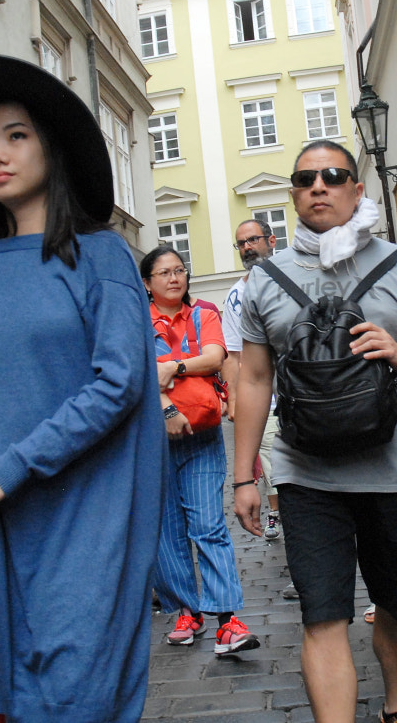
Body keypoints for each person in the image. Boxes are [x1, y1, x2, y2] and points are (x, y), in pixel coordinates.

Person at [0, 54, 166, 723]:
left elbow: (120, 383)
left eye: (16, 135)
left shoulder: (100, 254)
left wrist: (11, 465)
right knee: (22, 693)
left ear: (51, 147)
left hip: (89, 507)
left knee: (80, 687)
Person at [233, 139, 397, 723]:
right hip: (305, 471)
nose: (319, 186)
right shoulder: (266, 279)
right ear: (292, 193)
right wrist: (244, 477)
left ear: (356, 190)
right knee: (322, 613)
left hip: (392, 467)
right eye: (306, 178)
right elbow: (255, 380)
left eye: (334, 176)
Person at [142, 244, 259, 655]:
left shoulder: (203, 314)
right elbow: (137, 372)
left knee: (208, 524)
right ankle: (184, 611)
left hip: (204, 436)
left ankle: (228, 619)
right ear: (147, 282)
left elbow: (213, 356)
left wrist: (171, 369)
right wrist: (168, 405)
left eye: (180, 270)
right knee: (166, 532)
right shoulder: (135, 319)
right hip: (152, 442)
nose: (175, 278)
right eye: (164, 273)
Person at [221, 219, 284, 541]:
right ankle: (279, 514)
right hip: (264, 398)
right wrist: (234, 399)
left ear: (272, 240)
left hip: (304, 395)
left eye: (253, 240)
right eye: (241, 243)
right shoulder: (235, 296)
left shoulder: (293, 276)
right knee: (273, 462)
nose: (247, 247)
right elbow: (232, 355)